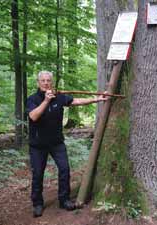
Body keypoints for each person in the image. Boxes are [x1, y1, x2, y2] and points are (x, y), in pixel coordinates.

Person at [26, 71, 108, 217]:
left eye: (48, 80)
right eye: (43, 80)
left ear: (52, 82)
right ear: (38, 83)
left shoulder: (59, 97)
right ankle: (37, 203)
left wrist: (98, 99)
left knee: (64, 169)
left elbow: (76, 101)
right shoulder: (33, 99)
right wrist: (46, 101)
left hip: (57, 142)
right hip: (38, 145)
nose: (46, 83)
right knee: (38, 174)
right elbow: (33, 116)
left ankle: (64, 200)